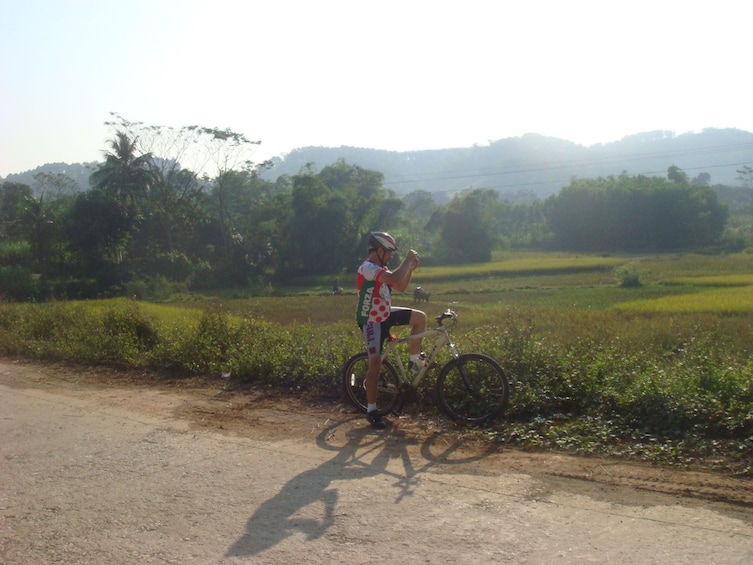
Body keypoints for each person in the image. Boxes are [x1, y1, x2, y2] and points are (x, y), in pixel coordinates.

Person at [355, 231, 426, 429]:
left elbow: (400, 286)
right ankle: (371, 410)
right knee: (375, 365)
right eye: (389, 252)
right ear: (379, 251)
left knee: (420, 318)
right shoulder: (368, 268)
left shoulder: (381, 268)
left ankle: (414, 362)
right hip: (371, 321)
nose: (391, 256)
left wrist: (410, 268)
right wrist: (407, 259)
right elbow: (395, 276)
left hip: (384, 314)